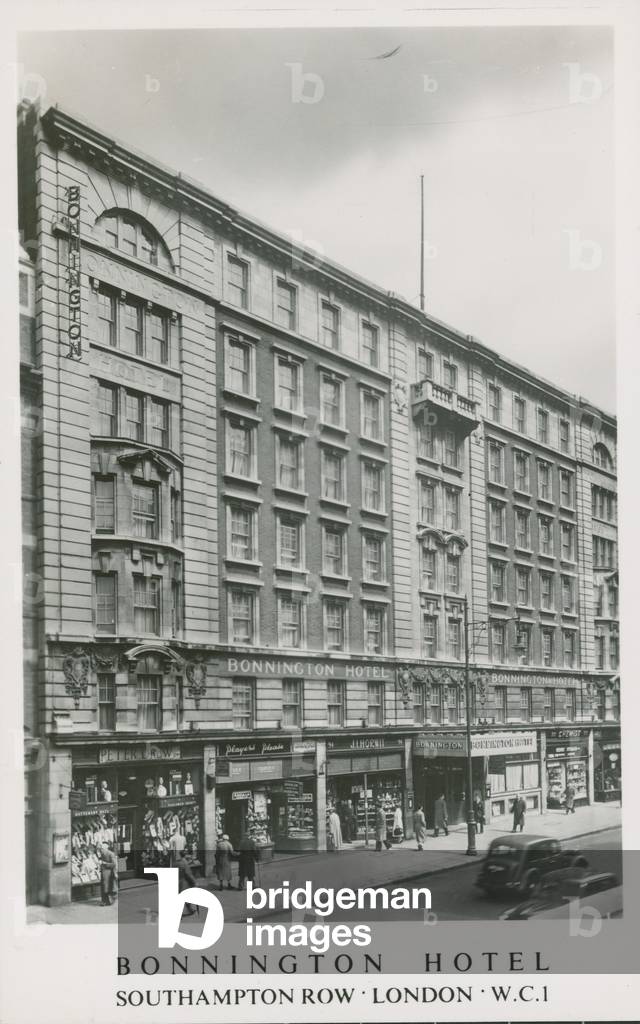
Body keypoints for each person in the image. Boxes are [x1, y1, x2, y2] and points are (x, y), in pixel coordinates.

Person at [176, 849, 198, 916]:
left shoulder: (178, 862)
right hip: (184, 882)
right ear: (185, 855)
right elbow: (188, 873)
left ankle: (190, 909)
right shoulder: (185, 863)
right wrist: (194, 881)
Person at [97, 841, 118, 906]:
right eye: (101, 849)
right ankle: (104, 901)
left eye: (102, 848)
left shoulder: (111, 854)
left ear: (106, 848)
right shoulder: (102, 854)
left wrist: (104, 863)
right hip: (103, 872)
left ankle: (109, 901)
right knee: (104, 887)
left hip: (109, 873)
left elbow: (114, 864)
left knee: (108, 887)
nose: (101, 850)